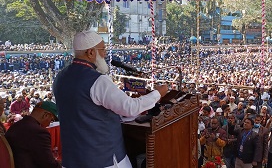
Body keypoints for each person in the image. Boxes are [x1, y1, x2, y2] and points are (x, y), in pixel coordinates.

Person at [53, 31, 170, 168]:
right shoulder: (97, 80)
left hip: (73, 158)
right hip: (103, 158)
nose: (105, 54)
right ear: (90, 53)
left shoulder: (60, 78)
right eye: (102, 49)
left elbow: (86, 111)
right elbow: (130, 108)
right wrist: (158, 93)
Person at [5, 101, 61, 168]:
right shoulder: (39, 132)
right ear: (45, 115)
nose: (49, 123)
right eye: (51, 120)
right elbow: (48, 164)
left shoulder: (16, 125)